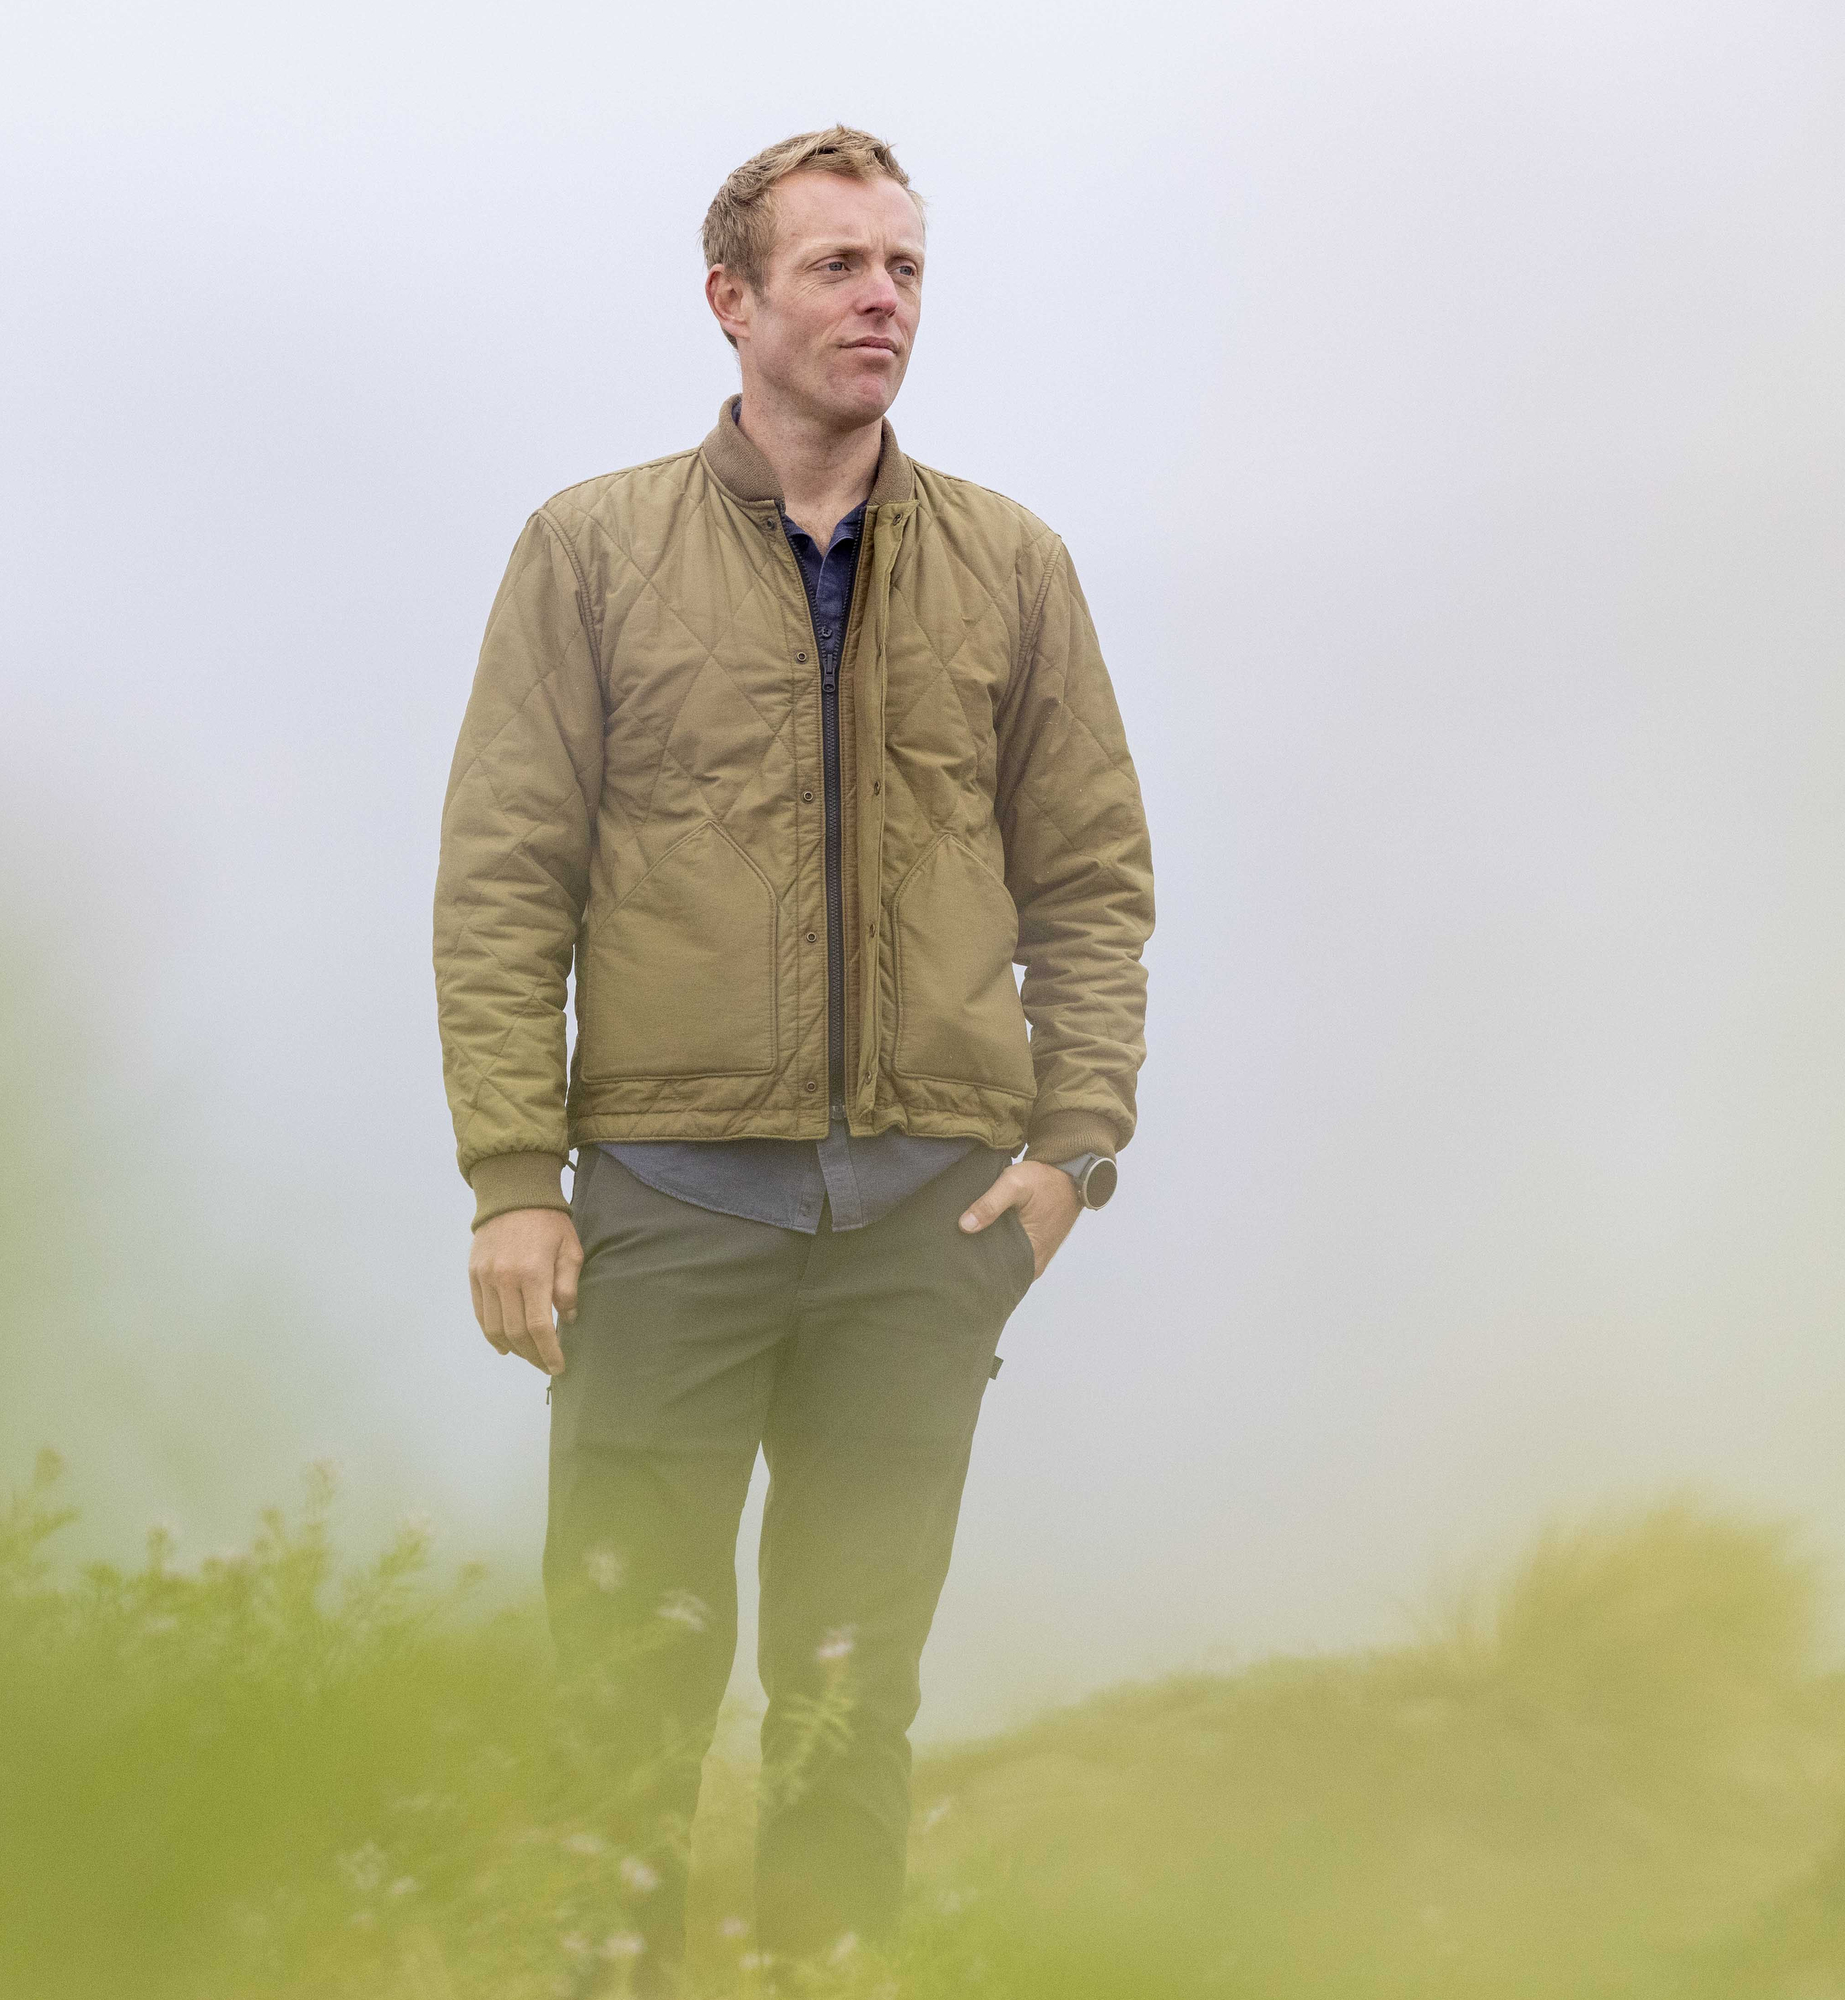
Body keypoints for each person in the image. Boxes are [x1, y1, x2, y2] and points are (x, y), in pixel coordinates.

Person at [430, 126, 1155, 1979]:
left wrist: (1074, 1152)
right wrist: (517, 1181)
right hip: (668, 1207)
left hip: (927, 1218)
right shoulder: (589, 551)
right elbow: (506, 878)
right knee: (625, 1696)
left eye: (905, 266)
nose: (883, 300)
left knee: (853, 1703)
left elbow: (1090, 877)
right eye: (838, 266)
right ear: (730, 301)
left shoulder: (1011, 564)